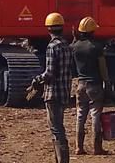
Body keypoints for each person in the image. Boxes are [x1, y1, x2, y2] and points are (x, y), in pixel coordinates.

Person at [34, 12, 74, 163]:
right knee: (59, 127)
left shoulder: (52, 47)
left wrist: (37, 79)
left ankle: (62, 159)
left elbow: (50, 73)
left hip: (53, 93)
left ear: (48, 29)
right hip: (64, 92)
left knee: (56, 129)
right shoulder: (67, 46)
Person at [71, 16, 110, 155]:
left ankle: (78, 147)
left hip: (80, 85)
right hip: (94, 85)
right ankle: (97, 148)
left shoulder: (75, 47)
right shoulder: (96, 47)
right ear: (93, 31)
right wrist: (107, 81)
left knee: (80, 115)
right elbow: (103, 67)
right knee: (95, 115)